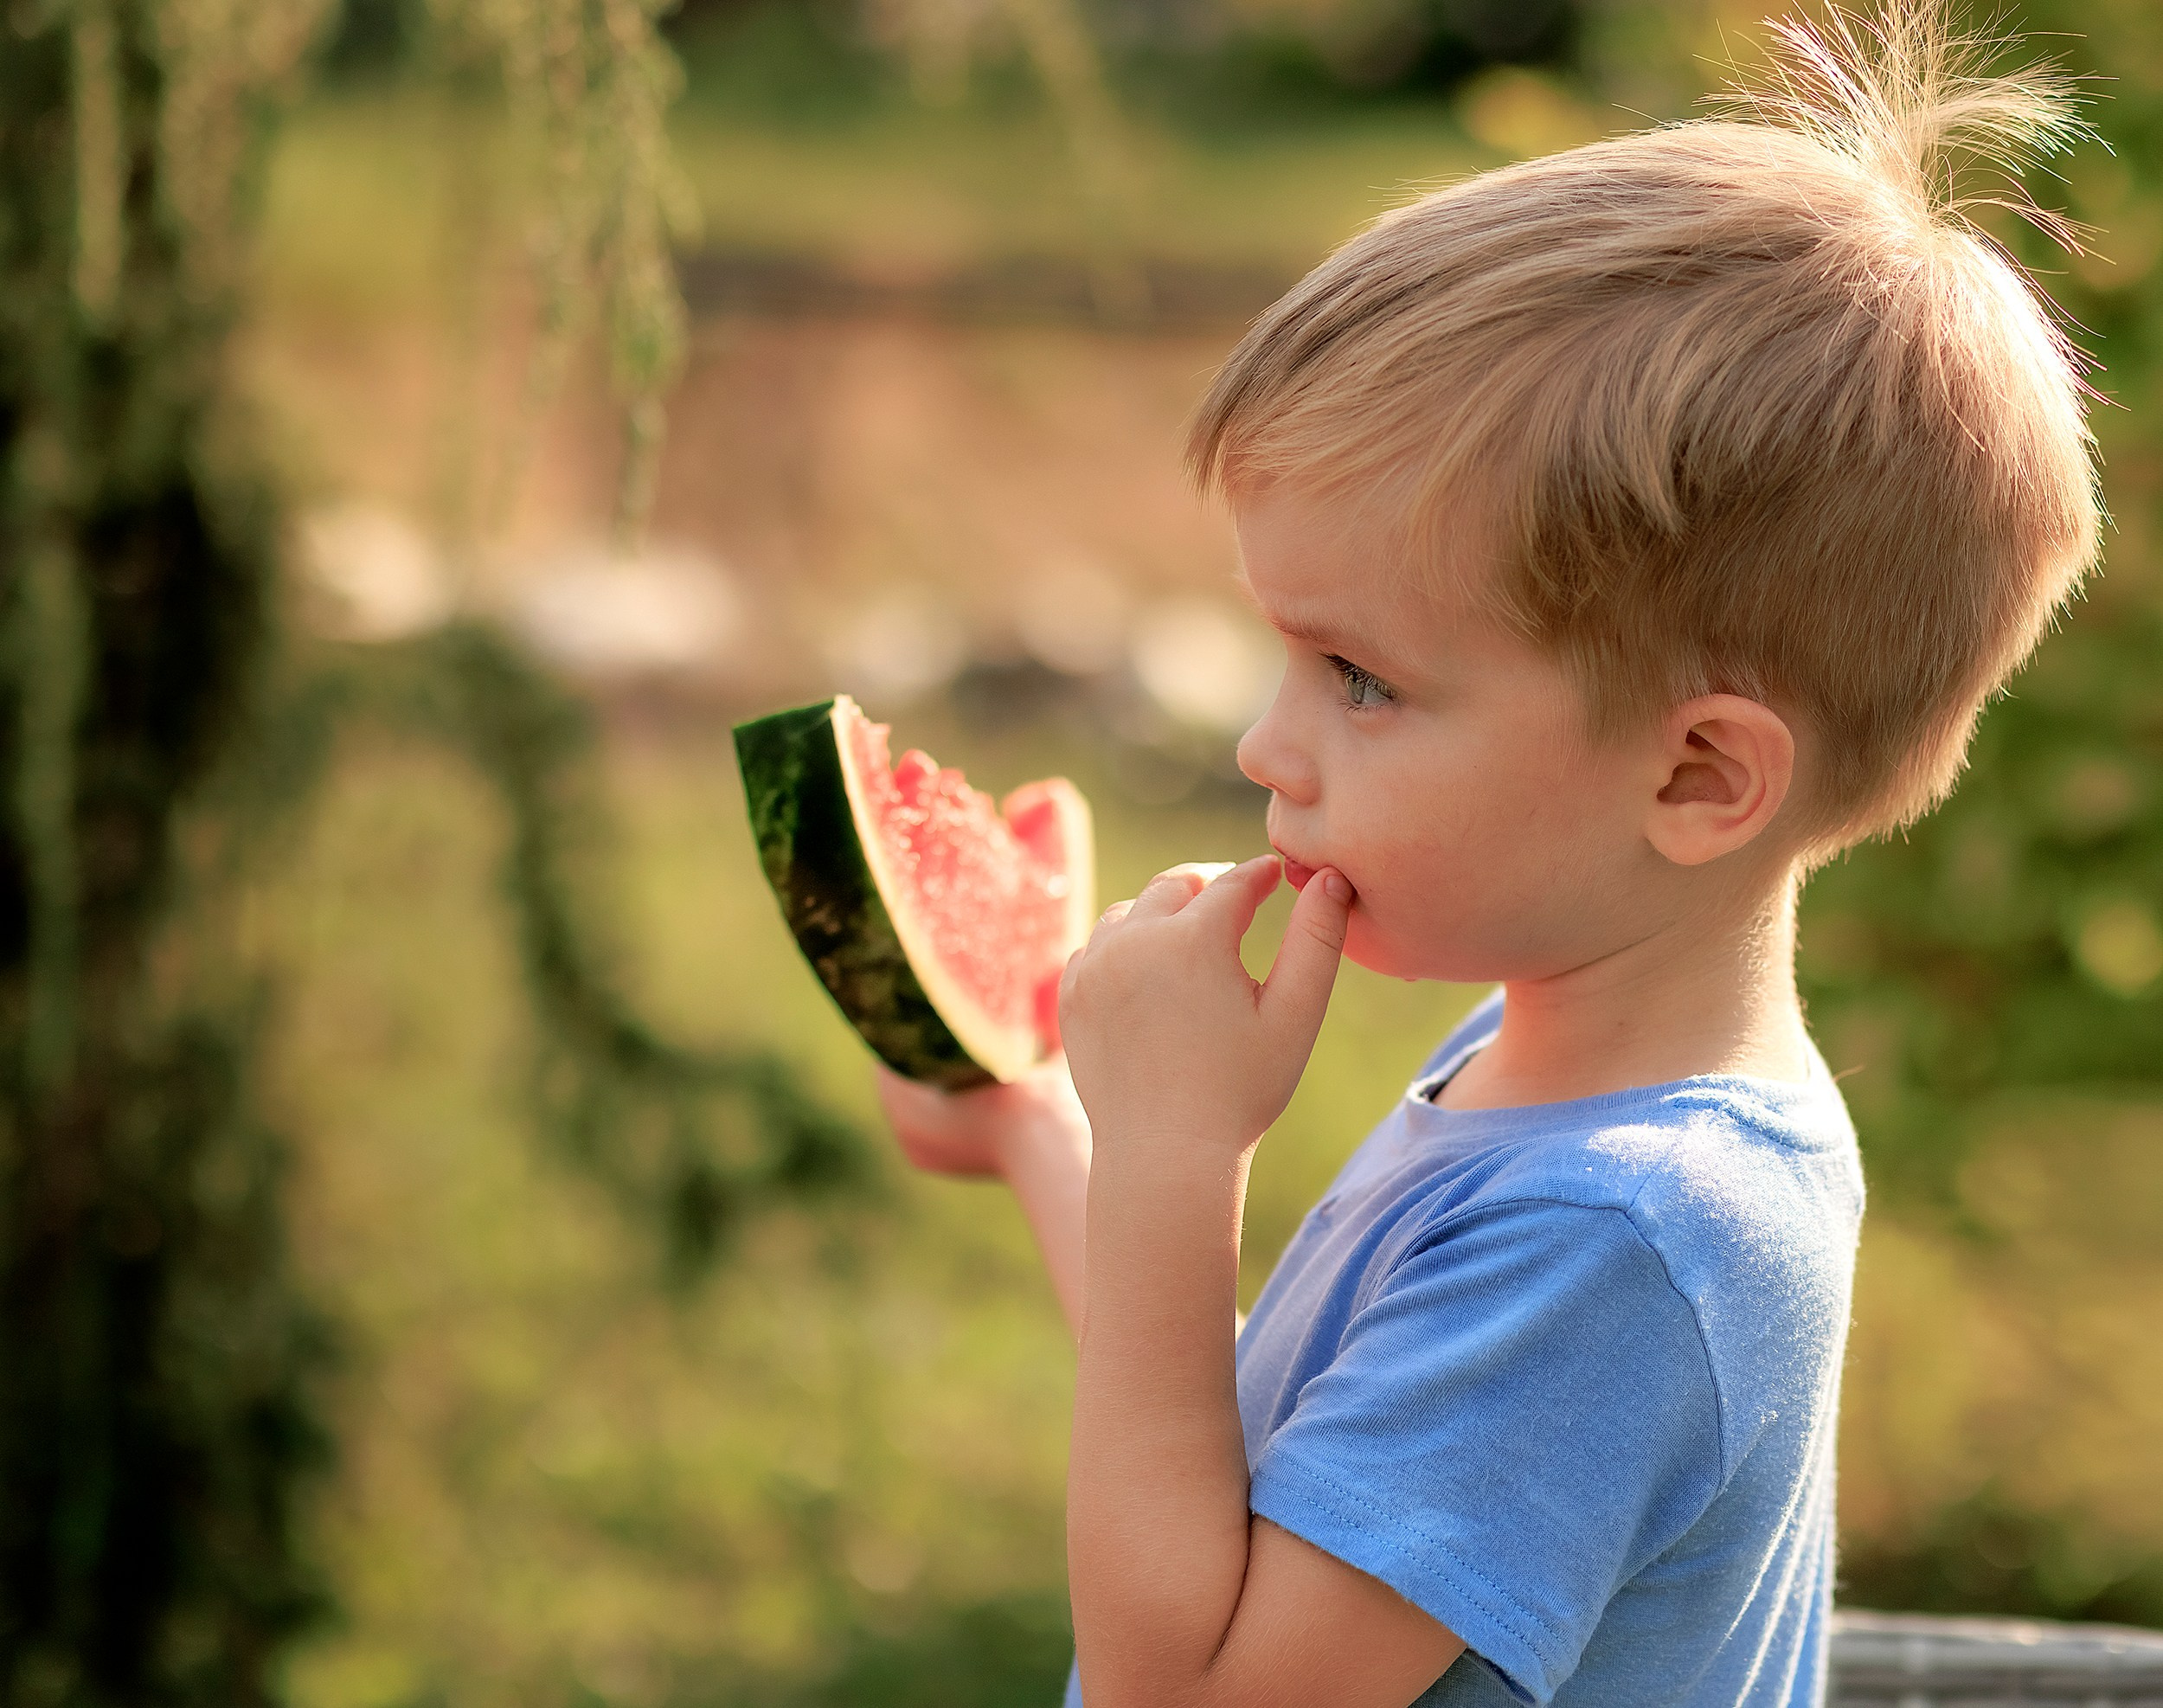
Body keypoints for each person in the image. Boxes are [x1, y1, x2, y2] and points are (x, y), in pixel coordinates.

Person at [876, 2, 2100, 1702]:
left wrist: (1172, 1165)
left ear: (1692, 778)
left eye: (1360, 679)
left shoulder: (1615, 1238)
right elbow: (1281, 1486)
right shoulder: (1559, 1085)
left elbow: (1196, 1688)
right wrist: (1048, 1132)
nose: (1259, 744)